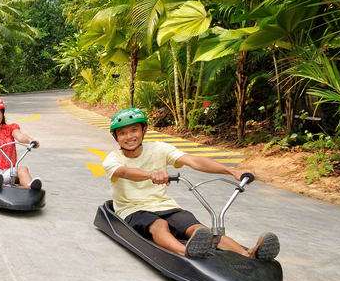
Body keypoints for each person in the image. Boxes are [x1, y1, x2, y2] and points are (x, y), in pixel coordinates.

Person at [103, 107, 279, 260]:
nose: (129, 136)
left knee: (196, 228)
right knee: (159, 225)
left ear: (143, 130)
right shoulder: (113, 159)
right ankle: (185, 252)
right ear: (116, 138)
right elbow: (125, 172)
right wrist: (151, 174)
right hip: (133, 209)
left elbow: (193, 160)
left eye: (134, 130)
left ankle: (248, 254)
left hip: (165, 206)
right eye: (122, 133)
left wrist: (231, 171)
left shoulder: (159, 149)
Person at [0, 98, 41, 191]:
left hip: (8, 171)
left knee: (22, 168)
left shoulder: (11, 128)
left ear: (2, 114)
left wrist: (31, 141)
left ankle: (30, 186)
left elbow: (20, 137)